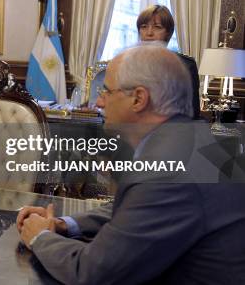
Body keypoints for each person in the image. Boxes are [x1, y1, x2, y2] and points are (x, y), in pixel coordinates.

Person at [17, 45, 245, 284]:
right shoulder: (195, 139)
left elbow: (90, 273)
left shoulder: (166, 172)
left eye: (106, 91)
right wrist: (65, 224)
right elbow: (138, 208)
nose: (99, 102)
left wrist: (40, 236)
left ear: (138, 98)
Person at [137, 4, 201, 118]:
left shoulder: (185, 65)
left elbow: (193, 113)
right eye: (144, 26)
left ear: (168, 32)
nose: (149, 32)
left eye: (157, 27)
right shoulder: (127, 63)